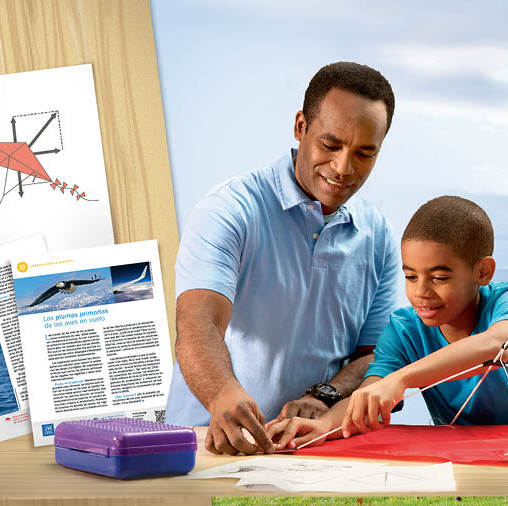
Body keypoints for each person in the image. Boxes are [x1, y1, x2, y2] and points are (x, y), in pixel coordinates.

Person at [164, 62, 401, 456]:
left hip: (309, 452)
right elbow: (196, 323)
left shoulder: (379, 236)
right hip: (206, 445)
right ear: (300, 127)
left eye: (364, 153)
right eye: (330, 144)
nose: (344, 168)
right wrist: (223, 393)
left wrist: (327, 394)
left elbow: (375, 356)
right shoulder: (229, 209)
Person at [267, 196, 508, 449]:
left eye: (438, 277)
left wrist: (402, 379)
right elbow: (369, 393)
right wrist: (323, 426)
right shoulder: (404, 329)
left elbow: (497, 346)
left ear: (483, 272)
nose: (421, 292)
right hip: (485, 460)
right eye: (410, 276)